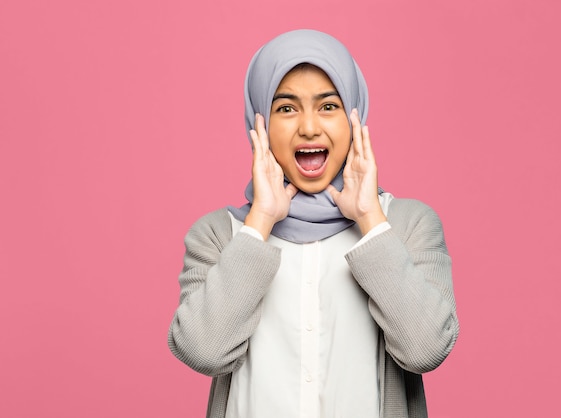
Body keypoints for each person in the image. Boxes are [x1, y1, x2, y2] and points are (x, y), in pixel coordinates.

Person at [168, 29, 459, 418]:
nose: (308, 127)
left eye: (328, 106)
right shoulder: (219, 235)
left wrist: (371, 220)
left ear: (355, 115)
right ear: (259, 123)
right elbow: (202, 350)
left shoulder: (407, 225)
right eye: (286, 108)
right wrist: (260, 223)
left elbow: (425, 349)